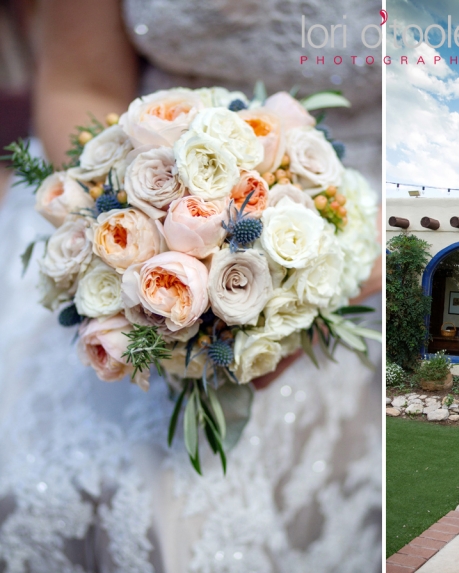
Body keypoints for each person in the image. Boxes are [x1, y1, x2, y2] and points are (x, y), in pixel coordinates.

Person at [0, 1, 382, 571]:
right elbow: (81, 81)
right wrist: (127, 228)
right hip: (126, 178)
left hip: (355, 219)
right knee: (63, 479)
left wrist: (306, 287)